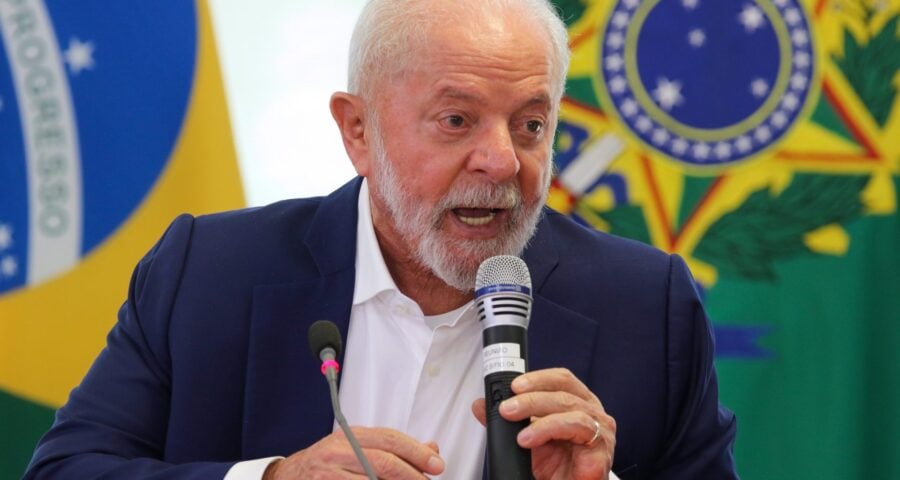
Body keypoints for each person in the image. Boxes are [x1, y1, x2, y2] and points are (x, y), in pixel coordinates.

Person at [25, 0, 737, 479]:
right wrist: (271, 479)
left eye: (531, 124)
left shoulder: (648, 306)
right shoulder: (208, 272)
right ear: (357, 131)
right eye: (456, 120)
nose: (503, 162)